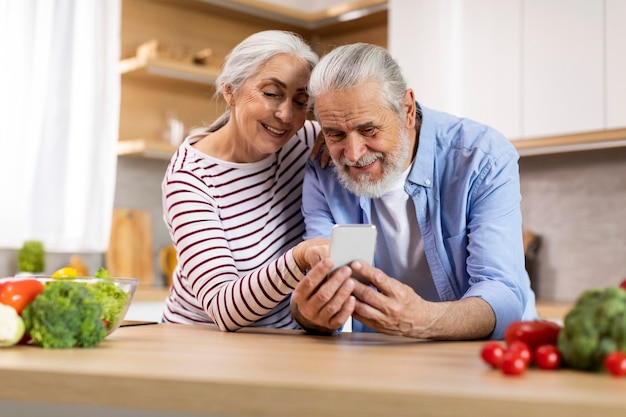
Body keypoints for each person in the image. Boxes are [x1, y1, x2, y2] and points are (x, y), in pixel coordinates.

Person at [291, 43, 537, 340]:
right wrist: (309, 313)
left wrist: (424, 320)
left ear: (407, 109)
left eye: (369, 130)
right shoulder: (324, 168)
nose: (354, 154)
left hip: (481, 353)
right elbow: (323, 285)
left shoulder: (482, 156)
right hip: (380, 354)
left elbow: (504, 294)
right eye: (336, 134)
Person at [161, 30, 329, 331]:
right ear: (230, 91)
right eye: (271, 93)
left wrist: (339, 136)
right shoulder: (189, 179)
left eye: (301, 100)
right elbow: (223, 307)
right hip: (198, 344)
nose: (286, 114)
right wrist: (299, 259)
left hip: (282, 344)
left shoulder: (305, 140)